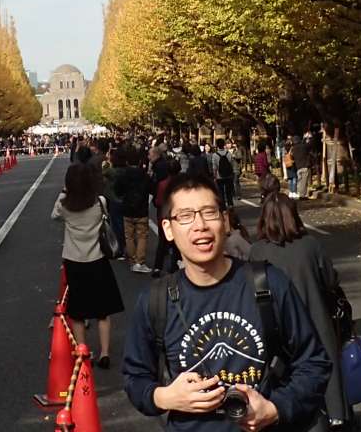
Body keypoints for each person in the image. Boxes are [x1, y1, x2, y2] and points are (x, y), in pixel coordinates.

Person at [123, 172, 330, 432]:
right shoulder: (155, 300)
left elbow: (314, 362)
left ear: (225, 220)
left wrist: (275, 409)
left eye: (209, 213)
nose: (200, 225)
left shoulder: (269, 284)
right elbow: (135, 377)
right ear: (168, 229)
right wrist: (164, 397)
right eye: (185, 216)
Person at [250, 173, 353, 430]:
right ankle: (336, 416)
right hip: (316, 319)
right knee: (325, 371)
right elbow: (331, 280)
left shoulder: (257, 251)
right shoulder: (310, 245)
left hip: (275, 328)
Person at [51, 162, 125, 367]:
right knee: (102, 311)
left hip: (74, 261)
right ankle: (105, 352)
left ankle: (83, 351)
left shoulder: (65, 206)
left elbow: (54, 215)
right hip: (98, 260)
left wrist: (64, 191)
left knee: (77, 312)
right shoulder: (100, 202)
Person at [112, 147, 154, 274]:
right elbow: (152, 189)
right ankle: (140, 262)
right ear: (139, 161)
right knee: (142, 236)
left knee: (129, 236)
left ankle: (133, 260)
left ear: (127, 161)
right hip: (141, 209)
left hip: (127, 208)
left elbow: (117, 190)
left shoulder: (124, 175)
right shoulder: (144, 175)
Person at [291, 134, 315, 200]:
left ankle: (300, 194)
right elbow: (310, 145)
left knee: (300, 182)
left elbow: (292, 157)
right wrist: (310, 137)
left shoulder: (293, 149)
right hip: (304, 166)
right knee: (304, 182)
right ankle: (303, 195)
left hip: (298, 167)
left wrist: (304, 139)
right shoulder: (303, 146)